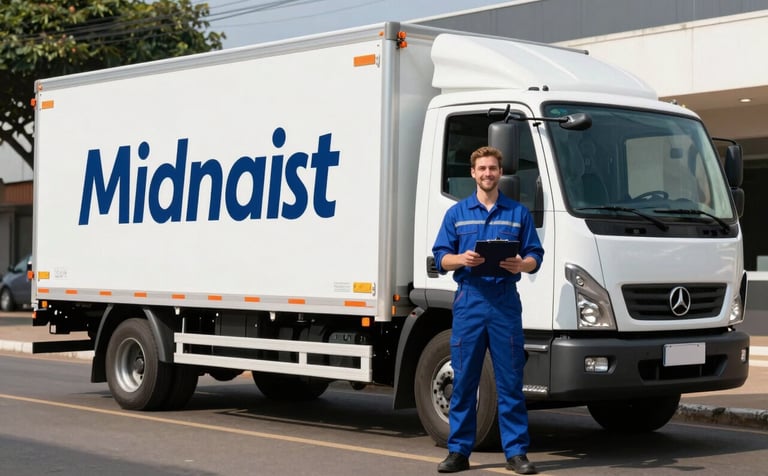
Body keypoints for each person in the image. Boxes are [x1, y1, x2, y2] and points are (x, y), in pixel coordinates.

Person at [432, 146, 544, 474]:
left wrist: (521, 264)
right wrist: (460, 259)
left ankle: (516, 453)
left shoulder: (517, 213)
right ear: (473, 173)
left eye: (493, 168)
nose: (487, 173)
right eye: (482, 168)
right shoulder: (456, 214)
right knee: (465, 380)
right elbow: (440, 257)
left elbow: (535, 255)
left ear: (500, 173)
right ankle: (458, 452)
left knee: (510, 381)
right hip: (470, 301)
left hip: (504, 303)